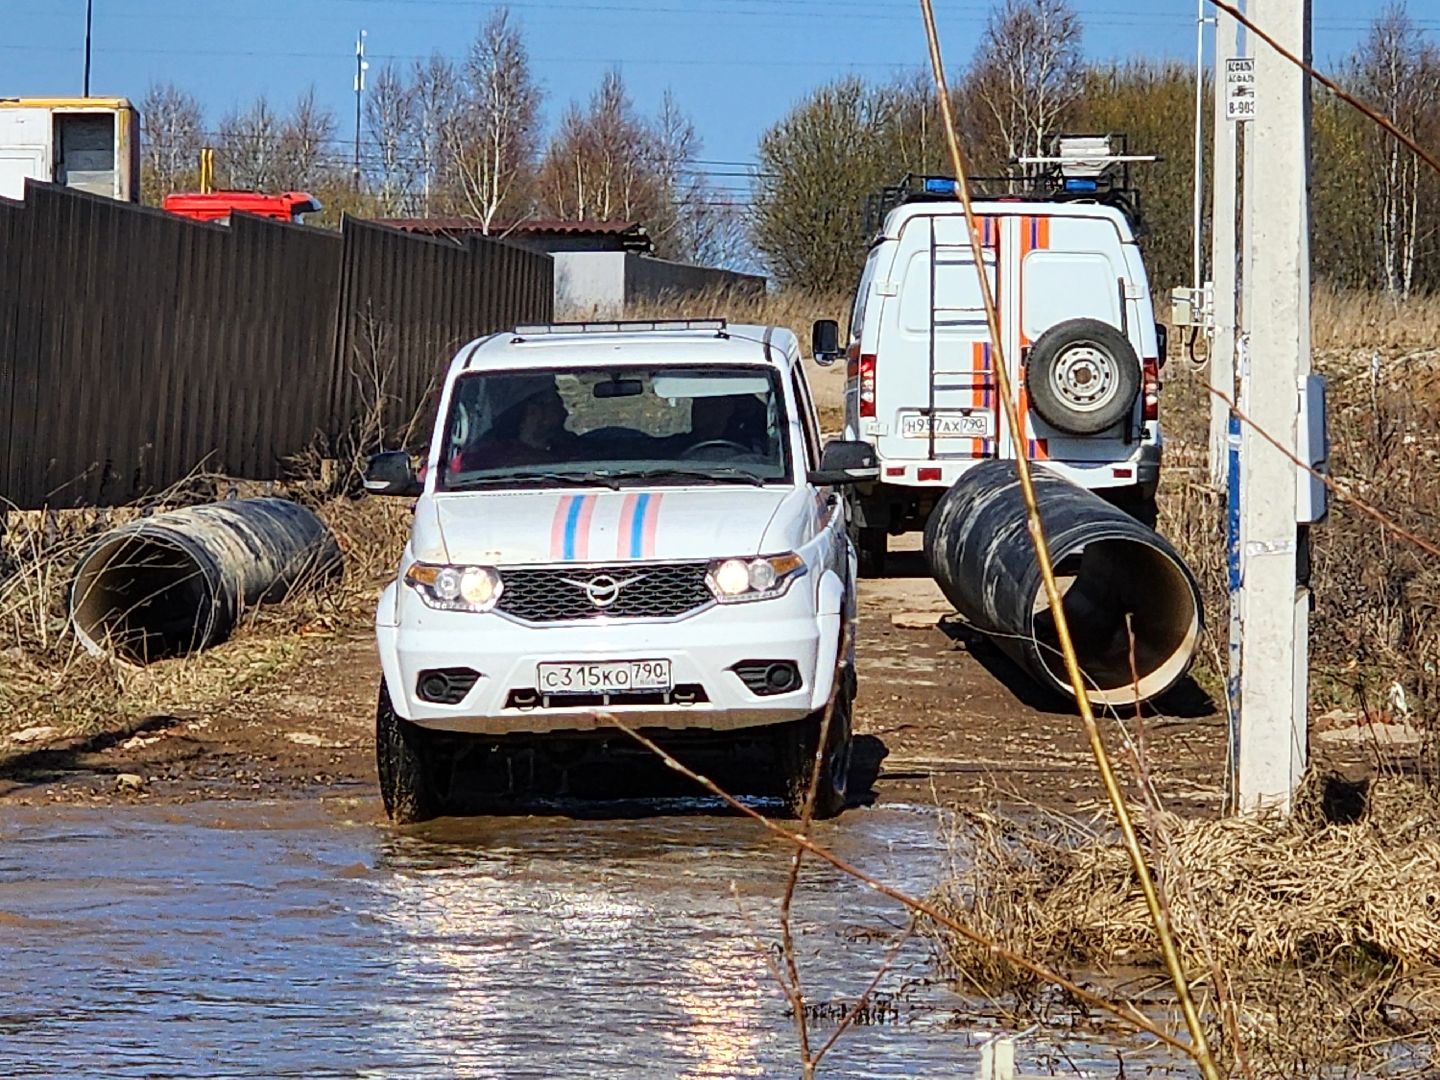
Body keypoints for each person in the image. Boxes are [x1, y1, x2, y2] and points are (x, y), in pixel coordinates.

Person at [453, 387, 576, 473]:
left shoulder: (574, 448)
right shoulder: (487, 457)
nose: (564, 411)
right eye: (553, 403)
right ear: (532, 411)